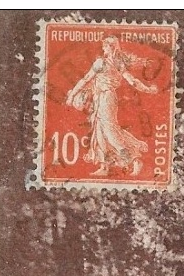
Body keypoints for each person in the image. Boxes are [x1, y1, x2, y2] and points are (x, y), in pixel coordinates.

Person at [65, 37, 158, 177]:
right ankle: (104, 166)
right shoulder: (118, 63)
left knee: (109, 131)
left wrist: (72, 95)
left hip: (105, 98)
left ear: (110, 48)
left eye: (105, 47)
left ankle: (134, 159)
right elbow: (132, 81)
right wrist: (148, 89)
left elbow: (86, 79)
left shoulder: (101, 63)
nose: (103, 49)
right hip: (104, 98)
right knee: (100, 130)